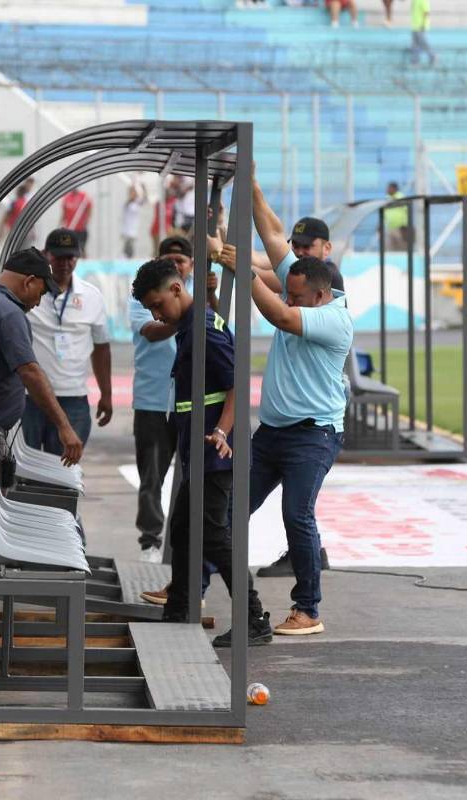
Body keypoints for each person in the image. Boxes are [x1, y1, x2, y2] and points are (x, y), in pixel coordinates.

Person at [217, 173, 351, 636]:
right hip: (272, 433)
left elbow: (275, 312)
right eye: (287, 291)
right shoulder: (304, 285)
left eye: (296, 296)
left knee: (297, 514)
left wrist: (246, 274)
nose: (288, 299)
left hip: (313, 435)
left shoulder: (333, 318)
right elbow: (273, 232)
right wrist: (250, 183)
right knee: (228, 509)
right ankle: (190, 589)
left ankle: (308, 609)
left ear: (319, 294)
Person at [131, 259, 272, 648]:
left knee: (213, 536)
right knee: (182, 528)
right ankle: (180, 608)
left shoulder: (205, 331)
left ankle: (254, 618)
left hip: (216, 451)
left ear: (177, 289)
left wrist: (221, 431)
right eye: (152, 310)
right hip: (201, 452)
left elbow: (236, 386)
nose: (158, 315)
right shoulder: (190, 327)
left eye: (159, 304)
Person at [0, 247, 85, 617]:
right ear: (28, 281)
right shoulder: (7, 310)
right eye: (41, 292)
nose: (39, 301)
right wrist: (65, 427)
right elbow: (29, 371)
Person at [128, 236, 216, 563]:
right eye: (170, 259)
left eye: (182, 260)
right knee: (152, 476)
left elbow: (217, 328)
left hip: (189, 401)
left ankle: (184, 543)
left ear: (190, 266)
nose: (177, 264)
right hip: (152, 400)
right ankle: (150, 541)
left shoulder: (195, 297)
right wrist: (183, 317)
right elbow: (150, 330)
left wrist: (209, 296)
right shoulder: (149, 293)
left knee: (193, 476)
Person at [21, 228, 112, 455]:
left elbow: (101, 348)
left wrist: (106, 394)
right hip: (30, 397)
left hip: (73, 399)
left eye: (70, 257)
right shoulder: (27, 292)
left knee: (64, 474)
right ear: (45, 254)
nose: (65, 263)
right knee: (23, 471)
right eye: (58, 257)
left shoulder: (92, 296)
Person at [2, 178, 36, 247]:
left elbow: (6, 216)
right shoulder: (23, 202)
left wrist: (3, 228)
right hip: (22, 230)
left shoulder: (15, 202)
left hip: (15, 230)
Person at [61, 188, 93, 255]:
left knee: (81, 249)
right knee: (68, 249)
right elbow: (63, 214)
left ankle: (84, 263)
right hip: (69, 229)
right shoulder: (66, 198)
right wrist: (62, 225)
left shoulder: (84, 196)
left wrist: (86, 222)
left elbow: (89, 210)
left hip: (81, 229)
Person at [121, 178, 147, 258]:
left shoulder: (136, 204)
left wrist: (138, 184)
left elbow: (142, 198)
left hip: (132, 231)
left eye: (133, 192)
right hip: (127, 231)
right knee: (127, 250)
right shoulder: (128, 203)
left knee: (129, 250)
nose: (131, 193)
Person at [384, 182, 412, 251]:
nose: (387, 190)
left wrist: (405, 225)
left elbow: (407, 211)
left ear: (394, 189)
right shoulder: (387, 198)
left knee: (402, 247)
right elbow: (384, 213)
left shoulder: (401, 197)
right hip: (390, 227)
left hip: (401, 228)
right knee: (390, 248)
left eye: (389, 188)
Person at [408, 0, 436, 66]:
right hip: (414, 26)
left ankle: (432, 56)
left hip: (420, 27)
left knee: (423, 43)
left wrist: (424, 24)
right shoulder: (414, 1)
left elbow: (426, 13)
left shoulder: (423, 1)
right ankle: (415, 61)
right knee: (415, 45)